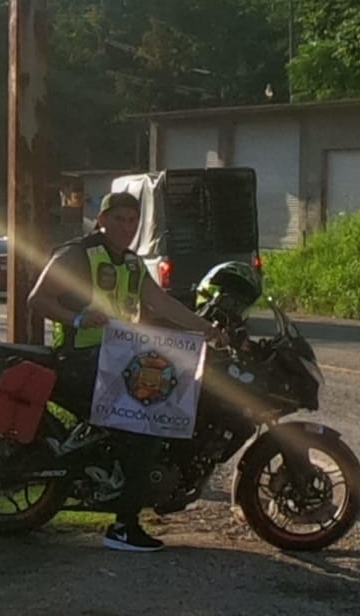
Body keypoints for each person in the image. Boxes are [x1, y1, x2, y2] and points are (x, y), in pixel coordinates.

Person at [28, 189, 227, 553]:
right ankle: (123, 526)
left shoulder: (132, 264)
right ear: (101, 220)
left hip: (118, 361)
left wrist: (206, 330)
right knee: (148, 423)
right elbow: (37, 299)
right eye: (118, 219)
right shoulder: (78, 255)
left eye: (133, 220)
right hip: (82, 358)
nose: (126, 227)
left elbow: (161, 302)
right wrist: (77, 318)